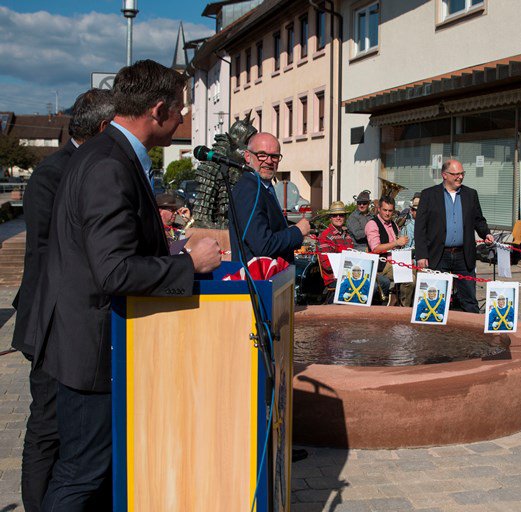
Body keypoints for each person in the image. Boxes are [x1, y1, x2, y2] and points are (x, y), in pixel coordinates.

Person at [25, 60, 222, 510]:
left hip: (93, 343)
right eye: (181, 109)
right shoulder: (108, 164)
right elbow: (112, 271)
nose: (184, 119)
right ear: (157, 110)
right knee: (81, 475)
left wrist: (166, 252)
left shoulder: (106, 153)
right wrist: (189, 263)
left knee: (94, 473)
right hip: (93, 350)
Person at [11, 88, 114, 512]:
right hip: (51, 319)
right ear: (104, 127)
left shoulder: (84, 164)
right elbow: (49, 252)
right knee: (48, 426)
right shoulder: (56, 172)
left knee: (69, 430)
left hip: (69, 320)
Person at [414, 160, 494, 313]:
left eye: (462, 173)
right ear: (444, 175)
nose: (460, 177)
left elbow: (478, 219)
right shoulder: (429, 195)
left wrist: (486, 233)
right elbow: (420, 228)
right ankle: (432, 333)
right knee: (435, 299)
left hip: (463, 255)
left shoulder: (470, 194)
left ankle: (472, 334)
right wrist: (422, 255)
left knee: (469, 300)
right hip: (438, 254)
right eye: (456, 174)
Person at [230, 132, 310, 264]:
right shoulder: (249, 190)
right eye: (262, 155)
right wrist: (297, 231)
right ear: (247, 156)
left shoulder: (263, 186)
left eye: (274, 156)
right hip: (256, 280)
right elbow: (263, 245)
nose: (268, 161)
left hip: (273, 277)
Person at [365, 195, 414, 305]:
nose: (387, 213)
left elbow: (397, 246)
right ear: (379, 209)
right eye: (385, 210)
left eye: (390, 211)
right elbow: (375, 248)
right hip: (382, 265)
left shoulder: (393, 224)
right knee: (410, 278)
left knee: (419, 273)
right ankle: (403, 309)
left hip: (396, 261)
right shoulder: (372, 224)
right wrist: (396, 243)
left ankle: (397, 299)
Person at [317, 200, 354, 286]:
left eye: (341, 215)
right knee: (371, 286)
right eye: (335, 215)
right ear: (330, 218)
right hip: (334, 279)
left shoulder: (347, 235)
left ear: (345, 217)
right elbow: (327, 265)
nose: (338, 217)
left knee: (382, 282)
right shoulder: (324, 236)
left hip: (350, 274)